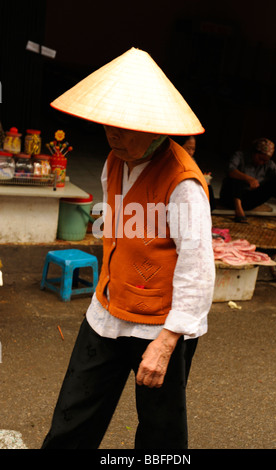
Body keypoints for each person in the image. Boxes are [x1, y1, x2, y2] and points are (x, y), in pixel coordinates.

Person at [41, 48, 215, 449]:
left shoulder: (184, 183)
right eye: (108, 125)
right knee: (73, 416)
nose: (112, 134)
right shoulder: (115, 160)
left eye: (123, 127)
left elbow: (198, 269)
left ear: (154, 128)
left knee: (160, 434)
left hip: (161, 323)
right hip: (108, 309)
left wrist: (168, 341)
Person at [220, 137, 276, 222]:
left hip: (249, 200)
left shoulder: (268, 164)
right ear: (254, 152)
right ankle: (239, 212)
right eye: (260, 159)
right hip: (230, 198)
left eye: (265, 161)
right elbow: (230, 169)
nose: (262, 162)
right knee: (237, 177)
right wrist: (248, 178)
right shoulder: (240, 156)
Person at [173, 135, 216, 211]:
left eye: (193, 149)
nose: (191, 152)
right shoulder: (174, 160)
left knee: (208, 189)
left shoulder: (192, 160)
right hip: (179, 187)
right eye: (188, 148)